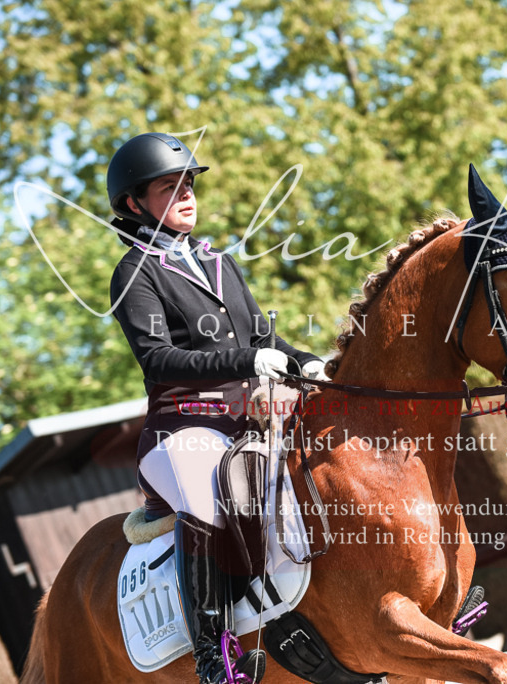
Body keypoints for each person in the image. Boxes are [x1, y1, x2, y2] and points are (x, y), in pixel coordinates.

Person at [107, 132, 325, 683]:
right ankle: (214, 653)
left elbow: (264, 340)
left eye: (188, 184)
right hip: (181, 430)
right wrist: (247, 361)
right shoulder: (134, 273)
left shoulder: (220, 263)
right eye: (168, 187)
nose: (186, 195)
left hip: (246, 422)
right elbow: (158, 360)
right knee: (206, 495)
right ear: (135, 204)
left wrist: (310, 362)